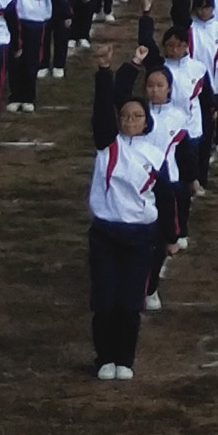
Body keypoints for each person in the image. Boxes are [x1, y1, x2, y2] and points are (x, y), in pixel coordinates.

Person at [84, 93, 168, 380]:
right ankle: (105, 357)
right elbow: (101, 111)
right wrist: (104, 74)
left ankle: (125, 359)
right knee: (105, 299)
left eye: (137, 116)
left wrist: (170, 237)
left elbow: (165, 199)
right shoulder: (108, 146)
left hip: (141, 237)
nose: (130, 121)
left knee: (130, 302)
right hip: (106, 234)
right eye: (125, 116)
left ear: (147, 122)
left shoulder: (156, 155)